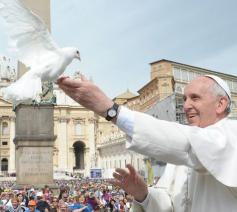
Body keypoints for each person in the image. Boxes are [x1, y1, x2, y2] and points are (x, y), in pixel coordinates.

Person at [57, 74, 237, 211]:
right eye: (184, 99)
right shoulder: (181, 158)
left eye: (195, 98)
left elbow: (191, 144)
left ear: (220, 104)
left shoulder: (232, 134)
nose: (186, 105)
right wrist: (143, 194)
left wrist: (111, 111)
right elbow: (168, 205)